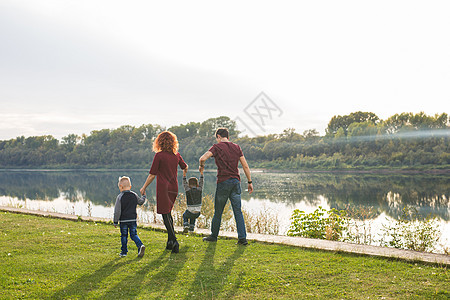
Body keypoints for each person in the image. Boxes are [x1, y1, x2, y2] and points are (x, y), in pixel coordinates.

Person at [199, 127, 253, 245]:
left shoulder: (217, 147)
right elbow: (245, 166)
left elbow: (202, 158)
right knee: (238, 211)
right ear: (227, 136)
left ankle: (214, 236)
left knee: (218, 211)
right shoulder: (236, 147)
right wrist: (249, 182)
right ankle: (242, 239)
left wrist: (201, 166)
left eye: (216, 138)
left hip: (223, 182)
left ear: (218, 136)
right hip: (235, 183)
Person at [140, 131, 187, 253]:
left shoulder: (159, 156)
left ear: (159, 142)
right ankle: (170, 242)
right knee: (168, 213)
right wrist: (184, 175)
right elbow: (185, 166)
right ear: (173, 142)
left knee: (165, 214)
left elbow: (152, 175)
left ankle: (175, 241)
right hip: (174, 187)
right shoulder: (176, 155)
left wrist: (144, 187)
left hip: (163, 188)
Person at [113, 176, 146, 257]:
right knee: (134, 234)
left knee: (124, 236)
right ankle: (140, 246)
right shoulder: (134, 195)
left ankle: (124, 252)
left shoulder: (120, 197)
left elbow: (117, 211)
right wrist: (144, 196)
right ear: (130, 187)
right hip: (133, 220)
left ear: (121, 187)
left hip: (123, 221)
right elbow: (141, 202)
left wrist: (115, 221)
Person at [182, 167, 204, 233]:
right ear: (197, 184)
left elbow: (184, 183)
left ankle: (186, 224)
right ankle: (191, 228)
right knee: (193, 216)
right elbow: (201, 182)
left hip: (190, 210)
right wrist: (201, 173)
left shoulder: (188, 190)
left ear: (189, 184)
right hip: (198, 212)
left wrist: (184, 174)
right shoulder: (199, 189)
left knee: (185, 215)